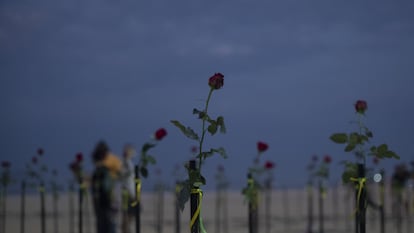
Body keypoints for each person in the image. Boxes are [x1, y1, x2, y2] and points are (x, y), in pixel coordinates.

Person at [91, 140, 121, 233]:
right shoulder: (98, 164)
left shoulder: (112, 160)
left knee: (111, 220)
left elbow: (118, 171)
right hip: (100, 196)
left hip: (111, 192)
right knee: (101, 221)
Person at [120, 144, 136, 233]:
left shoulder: (128, 163)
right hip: (128, 191)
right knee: (127, 213)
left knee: (130, 214)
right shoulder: (125, 163)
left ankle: (127, 229)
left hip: (130, 191)